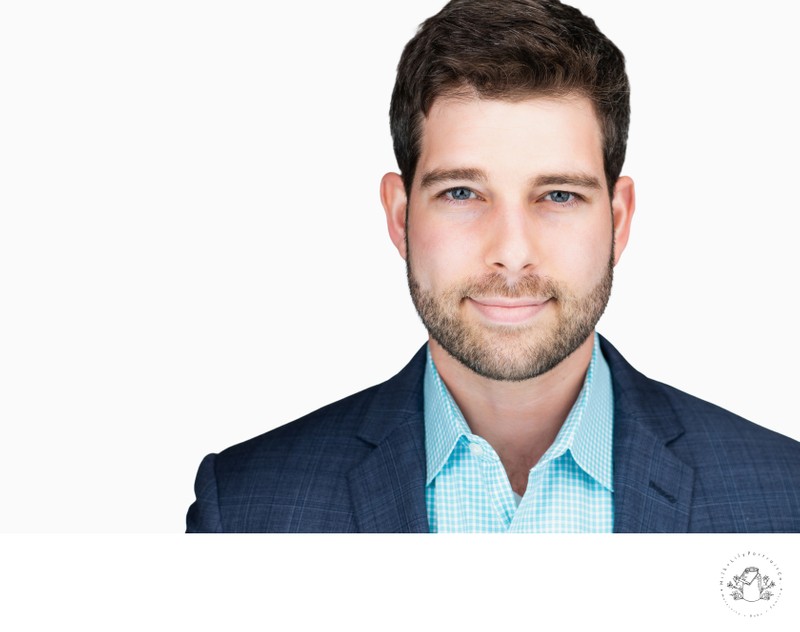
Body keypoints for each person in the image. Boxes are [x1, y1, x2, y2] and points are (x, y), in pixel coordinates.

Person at [186, 0, 800, 533]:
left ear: (618, 220)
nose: (512, 250)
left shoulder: (785, 499)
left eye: (558, 195)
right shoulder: (245, 508)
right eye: (462, 193)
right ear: (400, 217)